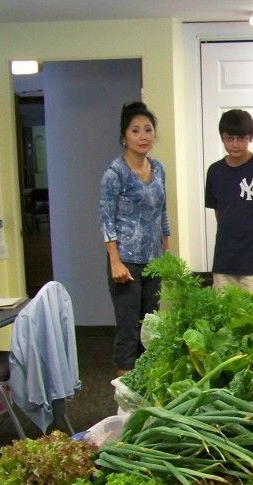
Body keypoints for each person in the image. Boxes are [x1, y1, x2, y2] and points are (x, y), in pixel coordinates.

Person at [99, 101, 170, 376]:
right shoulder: (115, 173)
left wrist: (167, 254)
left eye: (148, 130)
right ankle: (125, 401)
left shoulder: (159, 169)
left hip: (154, 261)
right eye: (135, 130)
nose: (143, 136)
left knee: (149, 329)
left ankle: (147, 394)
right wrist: (115, 261)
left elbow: (162, 213)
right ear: (124, 136)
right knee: (128, 330)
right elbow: (106, 220)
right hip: (126, 263)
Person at [205, 109, 253, 292]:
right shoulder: (215, 172)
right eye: (229, 138)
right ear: (222, 138)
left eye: (241, 138)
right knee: (225, 317)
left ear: (251, 137)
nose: (235, 144)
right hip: (225, 262)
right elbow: (219, 212)